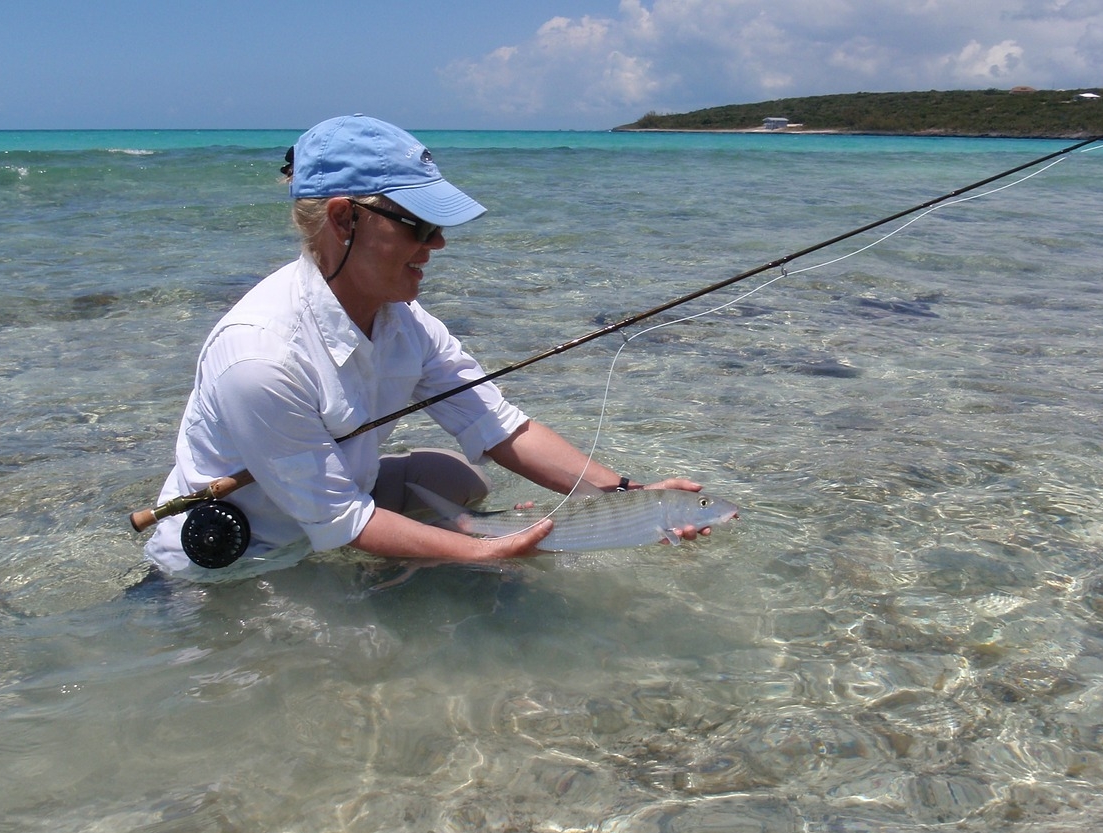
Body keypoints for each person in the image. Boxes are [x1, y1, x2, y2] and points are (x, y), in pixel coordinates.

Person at [145, 114, 708, 577]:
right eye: (418, 224)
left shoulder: (403, 320)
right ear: (343, 219)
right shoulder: (259, 359)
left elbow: (497, 423)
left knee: (453, 478)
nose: (438, 242)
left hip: (328, 509)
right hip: (244, 560)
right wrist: (492, 551)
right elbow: (343, 519)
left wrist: (625, 494)